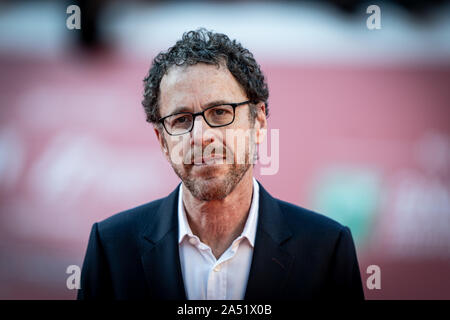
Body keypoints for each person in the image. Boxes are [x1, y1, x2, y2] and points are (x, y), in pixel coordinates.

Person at [78, 28, 364, 300]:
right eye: (181, 120)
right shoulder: (112, 248)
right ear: (162, 141)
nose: (201, 137)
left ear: (259, 122)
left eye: (219, 112)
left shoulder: (327, 249)